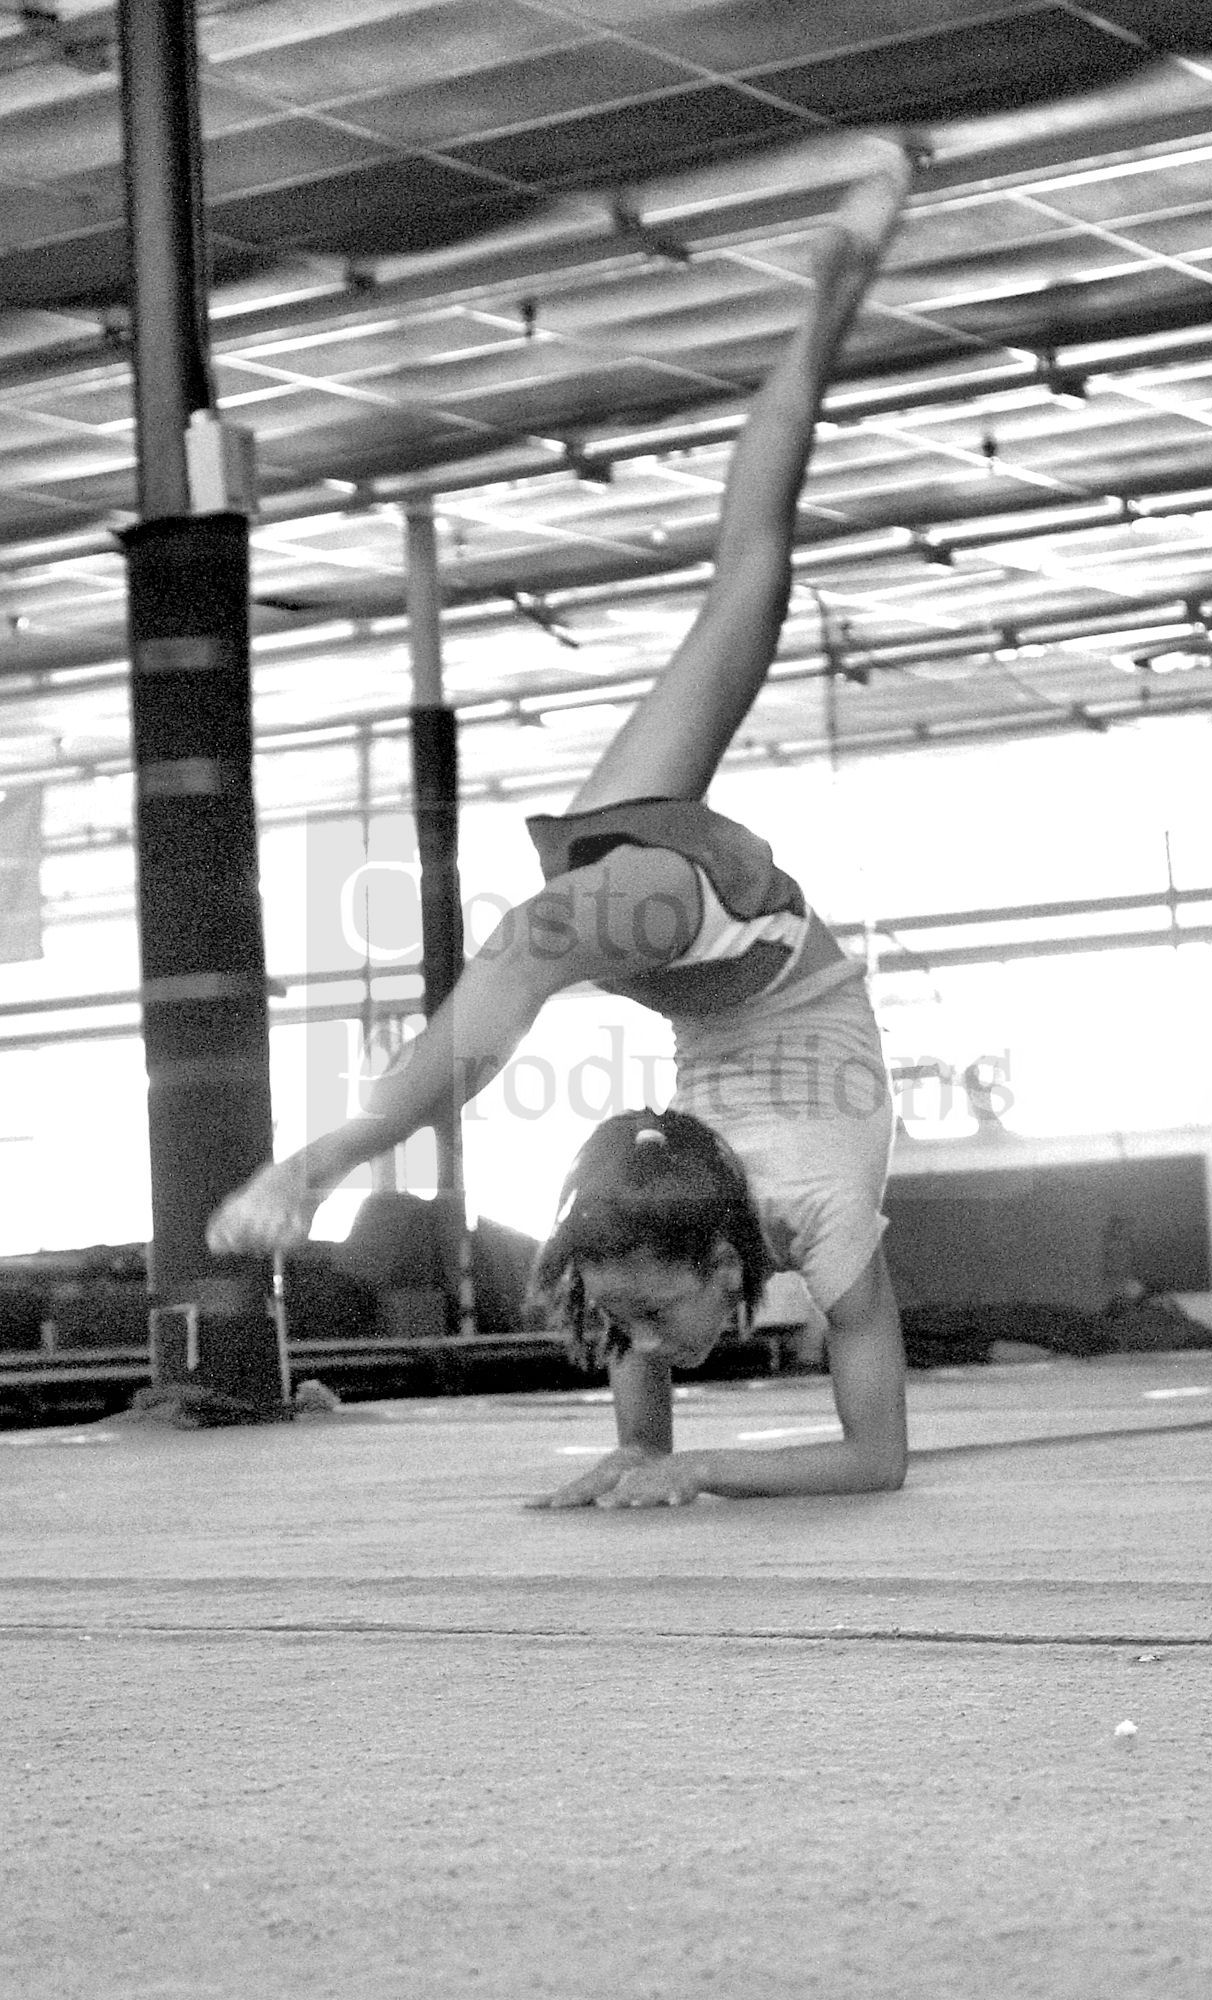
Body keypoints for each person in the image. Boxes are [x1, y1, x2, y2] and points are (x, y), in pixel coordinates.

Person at [208, 139, 916, 1509]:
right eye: (631, 1327)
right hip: (713, 945)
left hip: (708, 941)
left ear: (724, 1272)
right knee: (743, 598)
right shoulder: (723, 1237)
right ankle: (831, 294)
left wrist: (683, 1468)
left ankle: (331, 1154)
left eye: (636, 1325)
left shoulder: (787, 1233)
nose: (638, 1347)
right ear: (725, 1268)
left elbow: (878, 1462)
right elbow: (761, 1402)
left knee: (741, 601)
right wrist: (638, 1463)